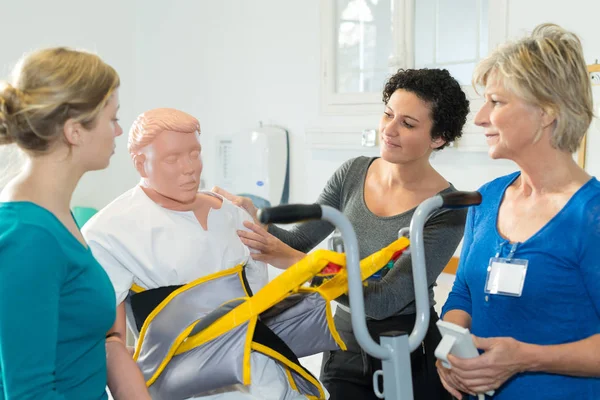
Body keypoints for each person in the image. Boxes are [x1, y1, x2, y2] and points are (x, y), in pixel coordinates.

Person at [214, 68, 470, 400]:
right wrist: (258, 220)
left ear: (439, 138)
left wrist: (300, 263)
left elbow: (383, 301)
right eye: (388, 114)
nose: (389, 130)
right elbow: (298, 241)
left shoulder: (445, 208)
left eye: (407, 124)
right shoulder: (352, 173)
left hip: (407, 350)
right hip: (345, 344)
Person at [82, 108, 315, 400]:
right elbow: (110, 344)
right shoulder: (111, 232)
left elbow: (259, 302)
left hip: (270, 380)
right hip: (186, 388)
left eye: (194, 153)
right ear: (141, 163)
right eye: (173, 158)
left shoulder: (232, 214)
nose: (189, 168)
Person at [438, 23, 600, 399]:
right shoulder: (486, 198)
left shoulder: (590, 217)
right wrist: (450, 351)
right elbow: (463, 290)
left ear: (546, 112)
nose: (479, 118)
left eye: (496, 102)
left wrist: (524, 358)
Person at [0, 47, 127, 399]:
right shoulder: (27, 237)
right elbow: (30, 393)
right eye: (112, 118)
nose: (118, 131)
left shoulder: (53, 213)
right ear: (75, 131)